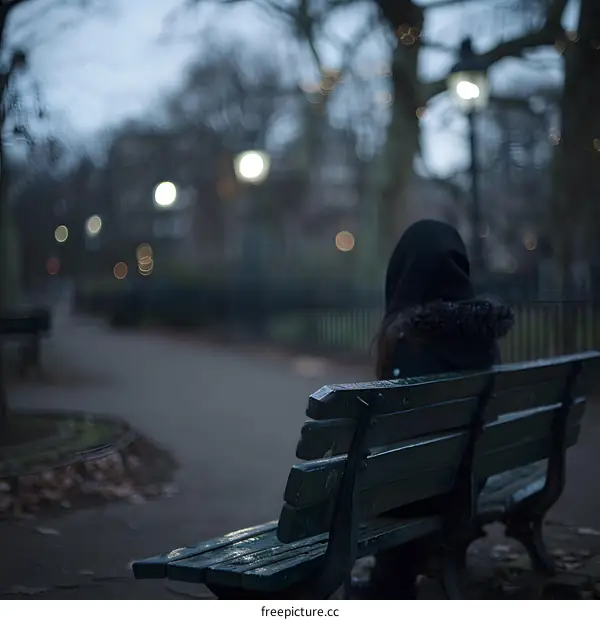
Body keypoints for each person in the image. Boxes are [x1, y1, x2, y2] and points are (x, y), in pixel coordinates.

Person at [360, 219, 514, 599]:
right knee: (419, 472)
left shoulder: (410, 344)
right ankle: (394, 580)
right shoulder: (482, 339)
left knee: (387, 477)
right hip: (467, 480)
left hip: (421, 488)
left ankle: (389, 587)